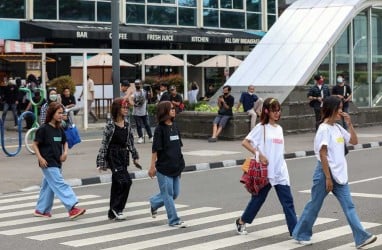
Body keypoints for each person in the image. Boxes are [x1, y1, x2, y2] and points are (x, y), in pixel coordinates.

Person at [292, 96, 377, 248]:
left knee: (349, 206)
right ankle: (300, 233)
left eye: (341, 108)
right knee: (314, 205)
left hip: (340, 175)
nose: (341, 111)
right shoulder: (324, 129)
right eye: (338, 108)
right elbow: (323, 154)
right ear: (331, 110)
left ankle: (361, 237)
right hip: (325, 173)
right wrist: (328, 178)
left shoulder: (338, 128)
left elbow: (354, 141)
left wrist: (350, 124)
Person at [235, 97, 297, 236]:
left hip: (280, 171)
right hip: (265, 172)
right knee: (258, 200)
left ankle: (295, 232)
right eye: (274, 110)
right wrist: (259, 154)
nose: (277, 113)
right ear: (267, 111)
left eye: (279, 110)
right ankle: (241, 221)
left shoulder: (279, 129)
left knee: (288, 202)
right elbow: (245, 142)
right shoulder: (261, 128)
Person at [32, 102, 86, 219]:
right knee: (60, 184)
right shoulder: (43, 129)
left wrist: (65, 152)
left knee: (48, 187)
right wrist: (40, 158)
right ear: (52, 114)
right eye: (59, 113)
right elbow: (35, 144)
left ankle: (41, 210)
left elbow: (65, 141)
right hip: (47, 163)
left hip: (57, 162)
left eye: (62, 113)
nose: (62, 115)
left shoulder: (59, 128)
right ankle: (72, 207)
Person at [96, 97, 140, 220]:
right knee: (124, 181)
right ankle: (117, 209)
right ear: (117, 109)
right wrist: (101, 162)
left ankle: (112, 211)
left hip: (123, 155)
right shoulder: (110, 126)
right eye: (124, 107)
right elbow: (104, 144)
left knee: (118, 183)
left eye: (127, 107)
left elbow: (130, 142)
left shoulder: (127, 125)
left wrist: (135, 157)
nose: (126, 110)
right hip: (113, 156)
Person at [148, 101, 187, 228]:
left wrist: (181, 165)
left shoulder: (175, 126)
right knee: (168, 194)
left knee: (174, 194)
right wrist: (152, 166)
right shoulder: (160, 129)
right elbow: (155, 149)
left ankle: (154, 202)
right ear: (164, 111)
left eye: (174, 108)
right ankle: (173, 220)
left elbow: (178, 147)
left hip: (176, 166)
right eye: (170, 109)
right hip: (164, 168)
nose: (173, 110)